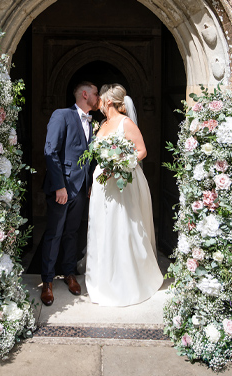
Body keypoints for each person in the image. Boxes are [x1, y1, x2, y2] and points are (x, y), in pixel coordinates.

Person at [85, 84, 163, 306]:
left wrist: (120, 164)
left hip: (121, 181)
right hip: (102, 182)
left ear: (109, 100)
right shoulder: (103, 124)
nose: (98, 99)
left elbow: (141, 150)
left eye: (101, 96)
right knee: (102, 226)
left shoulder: (125, 123)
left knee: (122, 226)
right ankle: (102, 276)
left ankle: (126, 280)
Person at [41, 81, 100, 306]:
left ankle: (68, 273)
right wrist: (59, 186)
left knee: (72, 233)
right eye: (95, 93)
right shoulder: (62, 115)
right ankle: (47, 280)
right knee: (54, 233)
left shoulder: (93, 124)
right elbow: (50, 151)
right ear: (85, 94)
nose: (98, 97)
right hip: (62, 187)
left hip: (81, 188)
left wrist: (92, 182)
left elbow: (90, 157)